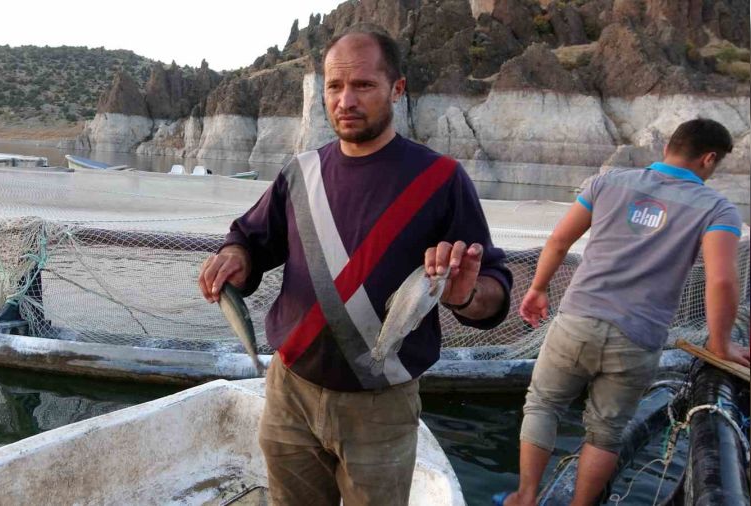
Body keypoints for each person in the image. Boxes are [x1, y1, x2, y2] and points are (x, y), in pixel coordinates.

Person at [198, 26, 512, 505]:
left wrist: (465, 294)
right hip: (289, 394)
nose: (346, 100)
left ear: (397, 89)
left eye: (363, 85)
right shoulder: (298, 174)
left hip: (382, 407)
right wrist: (233, 257)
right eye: (334, 86)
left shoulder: (441, 179)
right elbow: (250, 241)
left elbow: (492, 292)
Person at [498, 118, 750, 506]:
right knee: (606, 432)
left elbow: (560, 240)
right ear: (709, 159)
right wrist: (719, 344)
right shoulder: (717, 209)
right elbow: (721, 281)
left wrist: (537, 288)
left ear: (668, 147)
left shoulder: (607, 183)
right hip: (638, 337)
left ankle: (526, 496)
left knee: (543, 404)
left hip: (577, 319)